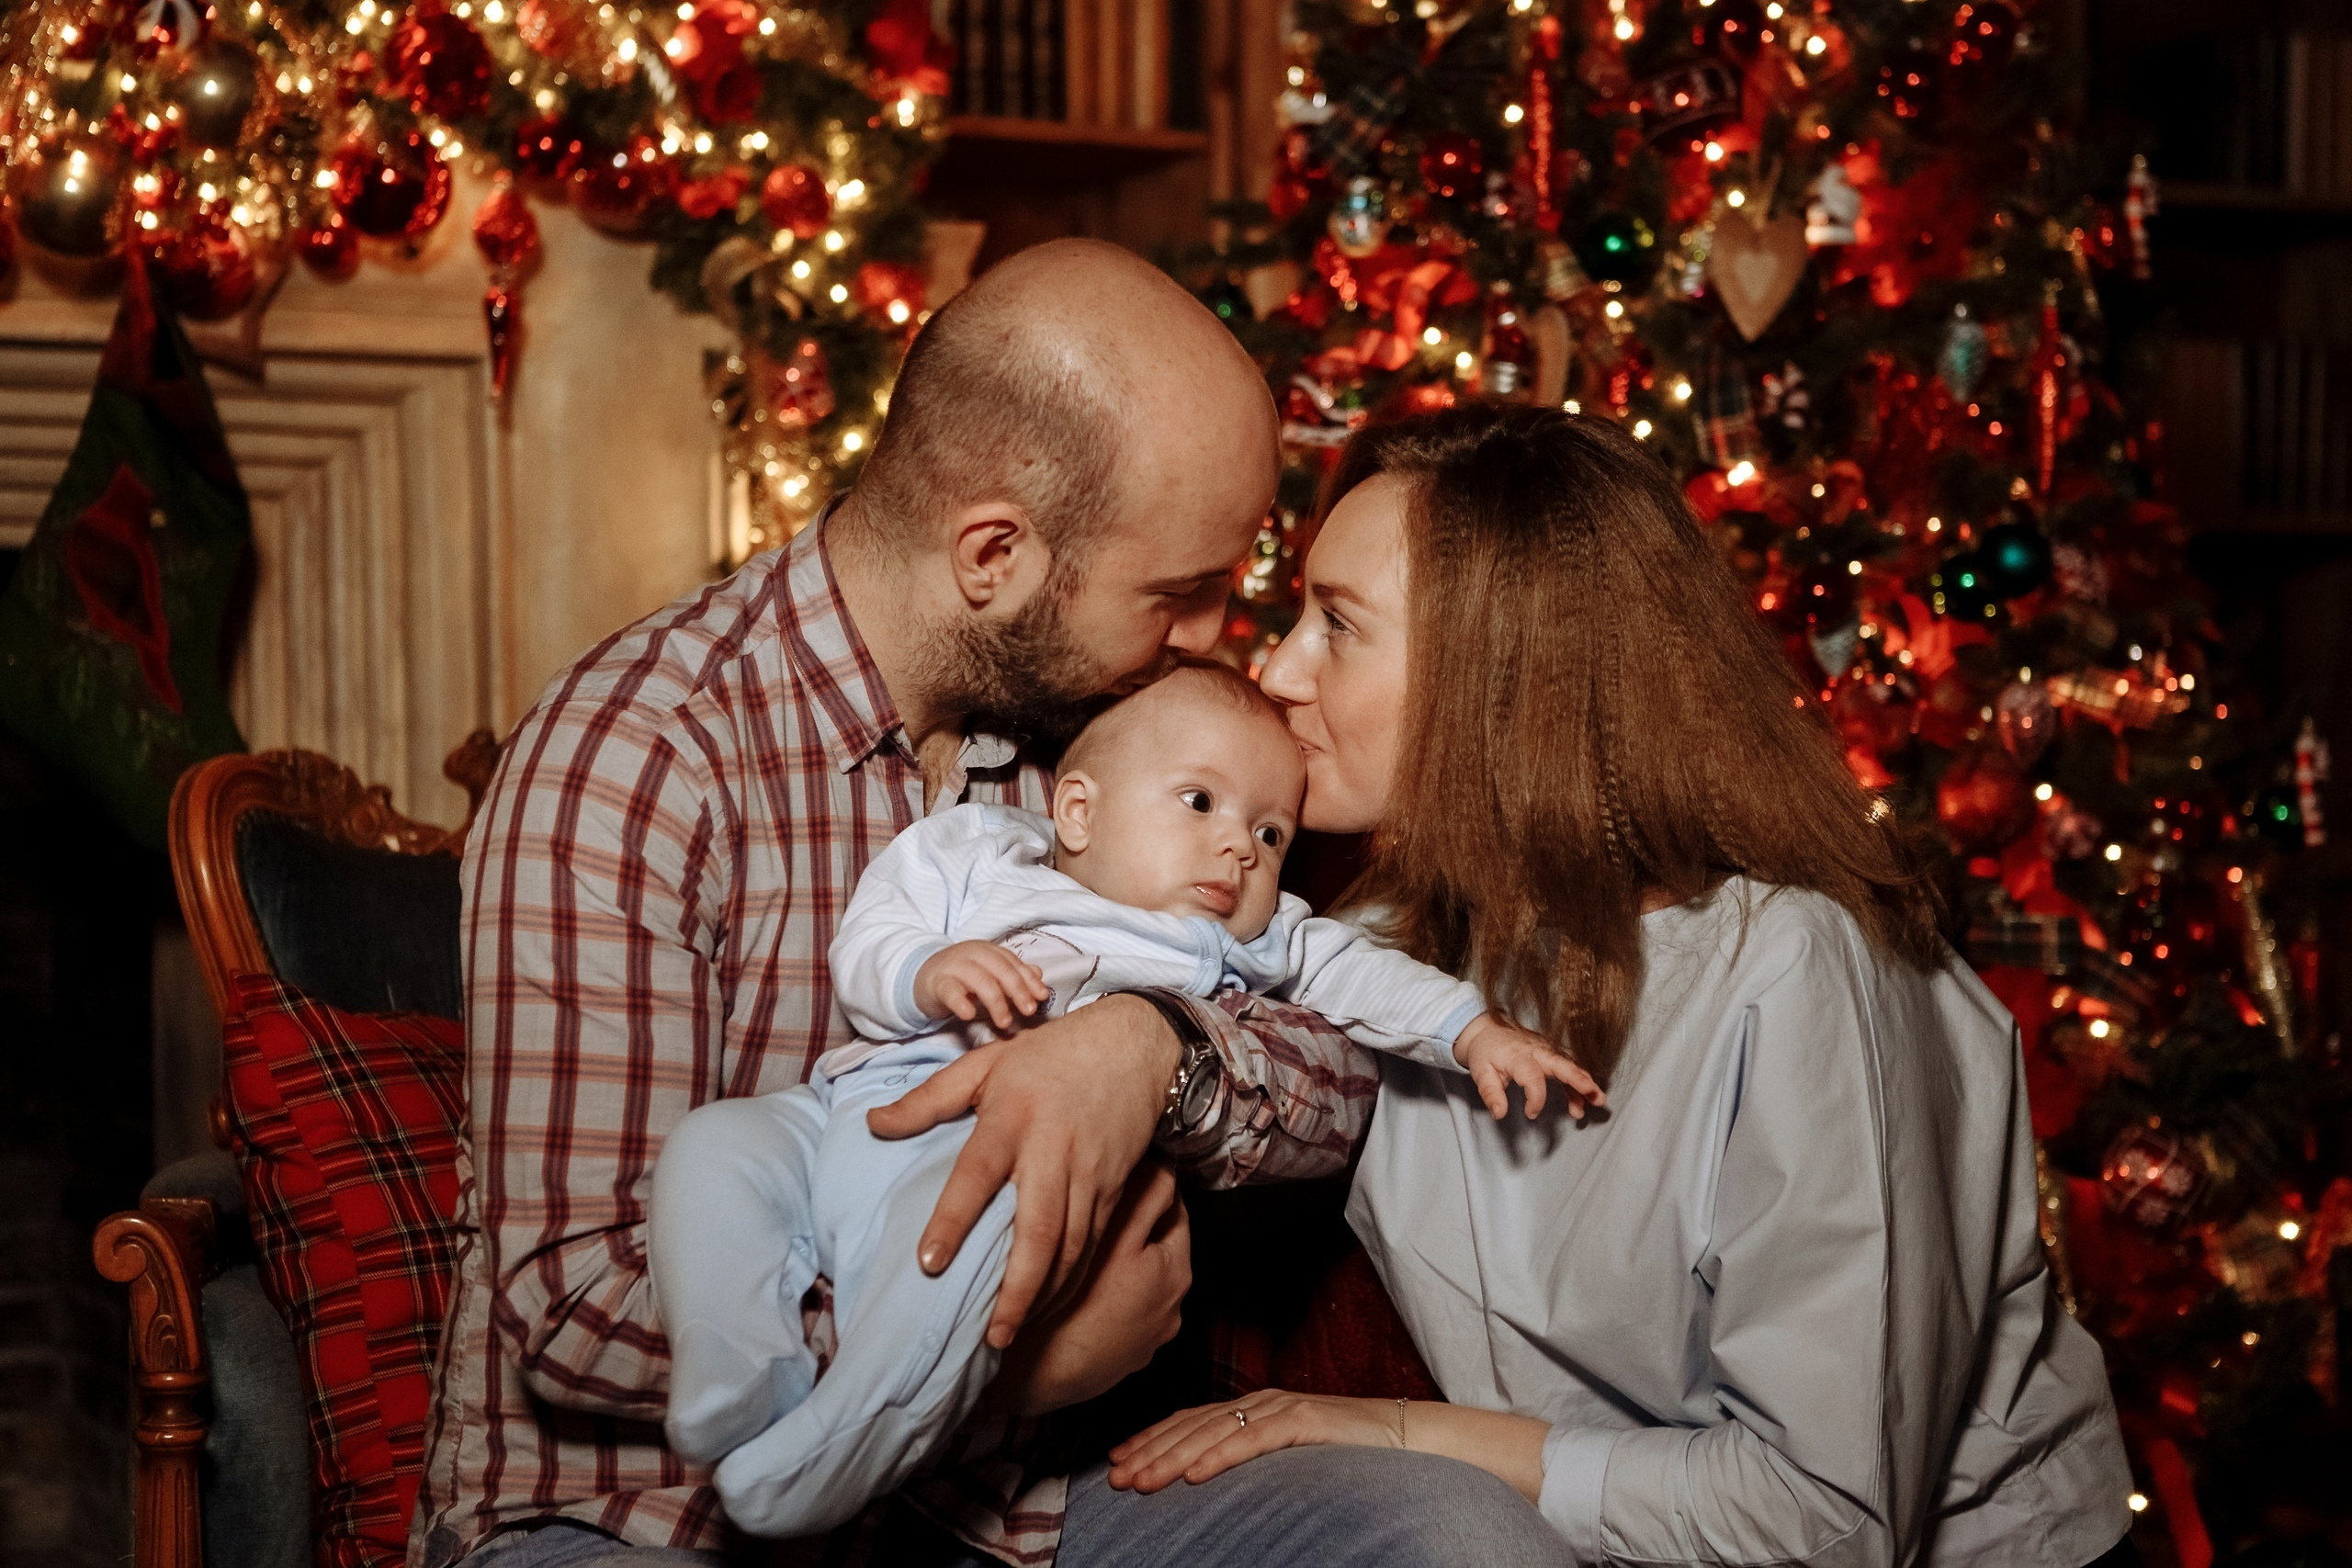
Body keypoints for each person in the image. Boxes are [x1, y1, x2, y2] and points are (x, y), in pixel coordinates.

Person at [883, 404, 2138, 1567]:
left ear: (1511, 675)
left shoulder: (1801, 973)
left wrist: (1394, 1435)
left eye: (1339, 623)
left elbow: (1826, 1516)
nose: (1275, 668)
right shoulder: (1371, 936)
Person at [407, 238, 1344, 1568]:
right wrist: (1002, 1349)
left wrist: (1155, 1050)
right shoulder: (641, 755)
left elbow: (1342, 1070)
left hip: (1017, 1506)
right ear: (996, 552)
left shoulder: (1111, 743)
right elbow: (572, 1293)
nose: (1213, 638)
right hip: (639, 1527)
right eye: (1178, 593)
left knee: (1437, 1527)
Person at [645, 661, 1599, 1538]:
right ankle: (734, 1358)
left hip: (977, 1157)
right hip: (842, 1108)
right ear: (1077, 811)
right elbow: (872, 936)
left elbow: (1364, 981)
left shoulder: (1240, 944)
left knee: (949, 1267)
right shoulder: (974, 853)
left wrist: (1471, 1032)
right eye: (1199, 801)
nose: (1239, 846)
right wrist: (925, 973)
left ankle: (840, 1440)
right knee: (717, 1149)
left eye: (1271, 834)